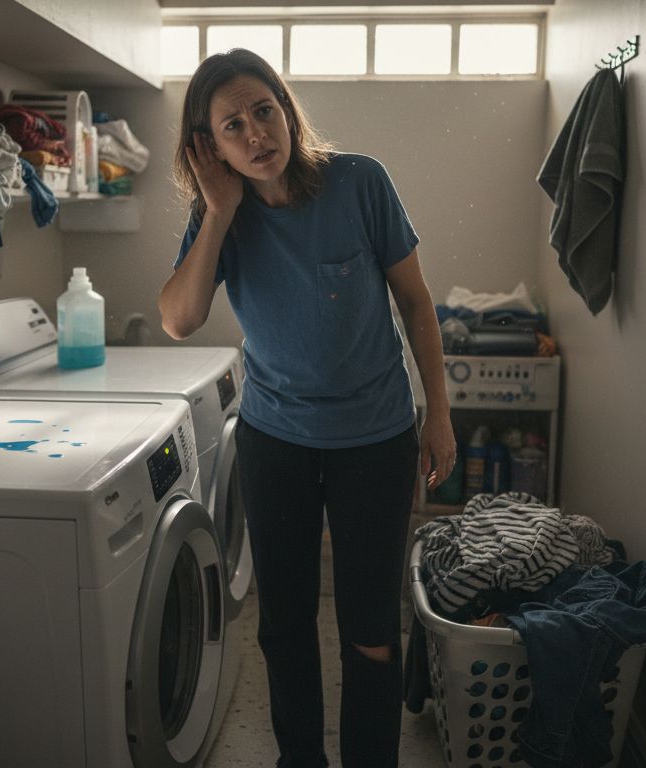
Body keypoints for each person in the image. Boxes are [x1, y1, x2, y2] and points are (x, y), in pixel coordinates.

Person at [158, 48, 456, 768]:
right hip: (275, 439)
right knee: (284, 626)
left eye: (264, 111)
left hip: (377, 439)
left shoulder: (360, 181)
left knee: (371, 628)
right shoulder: (219, 215)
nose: (256, 133)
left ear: (287, 111)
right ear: (210, 147)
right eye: (232, 125)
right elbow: (179, 318)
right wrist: (222, 211)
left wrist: (439, 413)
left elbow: (415, 304)